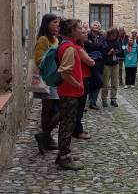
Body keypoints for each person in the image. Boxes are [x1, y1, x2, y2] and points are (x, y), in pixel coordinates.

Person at [55, 19, 84, 170]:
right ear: (72, 31)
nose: (81, 30)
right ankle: (64, 157)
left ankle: (62, 154)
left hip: (67, 92)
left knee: (65, 123)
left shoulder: (66, 45)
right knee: (67, 125)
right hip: (69, 92)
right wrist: (78, 84)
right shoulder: (69, 48)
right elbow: (64, 72)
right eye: (79, 28)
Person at [34, 13, 60, 154]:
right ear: (47, 24)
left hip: (53, 78)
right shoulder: (44, 39)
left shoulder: (55, 39)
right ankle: (46, 137)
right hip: (46, 79)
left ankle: (45, 136)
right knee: (48, 109)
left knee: (51, 110)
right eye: (55, 22)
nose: (57, 25)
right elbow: (38, 60)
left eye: (58, 22)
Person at [73, 25, 95, 139]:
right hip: (82, 78)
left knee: (79, 107)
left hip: (83, 77)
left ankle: (76, 129)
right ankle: (77, 130)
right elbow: (90, 62)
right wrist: (92, 60)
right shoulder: (78, 48)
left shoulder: (81, 46)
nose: (86, 33)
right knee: (79, 107)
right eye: (82, 32)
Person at [84, 21, 105, 110]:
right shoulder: (87, 35)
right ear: (91, 27)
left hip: (99, 62)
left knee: (98, 81)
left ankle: (93, 101)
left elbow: (103, 46)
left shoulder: (102, 36)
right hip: (89, 61)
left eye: (98, 25)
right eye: (95, 25)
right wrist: (96, 46)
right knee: (90, 81)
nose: (97, 26)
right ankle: (89, 100)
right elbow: (88, 45)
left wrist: (93, 45)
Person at [101, 28, 122, 107]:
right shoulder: (105, 41)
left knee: (114, 83)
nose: (114, 36)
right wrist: (109, 52)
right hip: (107, 64)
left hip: (115, 64)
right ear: (109, 34)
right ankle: (104, 99)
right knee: (105, 83)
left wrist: (116, 52)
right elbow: (102, 53)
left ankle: (113, 99)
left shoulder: (117, 41)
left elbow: (120, 51)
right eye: (113, 35)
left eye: (116, 35)